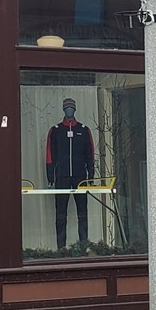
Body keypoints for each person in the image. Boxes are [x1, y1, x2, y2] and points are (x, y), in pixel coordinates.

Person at [45, 97, 95, 249]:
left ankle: (83, 245)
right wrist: (50, 176)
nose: (69, 110)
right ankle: (61, 248)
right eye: (66, 108)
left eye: (71, 108)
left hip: (80, 177)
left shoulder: (84, 130)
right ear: (63, 110)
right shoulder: (56, 131)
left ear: (75, 109)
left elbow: (90, 153)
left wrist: (90, 175)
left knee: (82, 214)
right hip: (61, 177)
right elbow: (49, 155)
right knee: (61, 215)